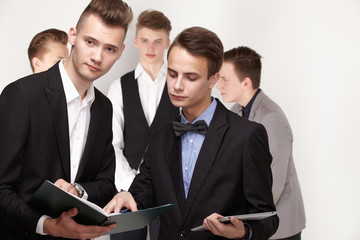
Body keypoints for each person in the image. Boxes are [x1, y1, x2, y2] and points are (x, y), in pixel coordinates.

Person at [104, 26, 279, 240]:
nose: (177, 86)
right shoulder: (160, 137)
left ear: (213, 80)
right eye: (172, 74)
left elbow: (268, 217)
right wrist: (126, 195)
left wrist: (244, 231)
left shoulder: (247, 136)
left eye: (191, 77)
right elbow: (142, 196)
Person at [0, 0, 133, 239]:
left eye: (110, 49)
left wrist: (78, 190)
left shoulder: (104, 107)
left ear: (120, 52)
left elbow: (105, 184)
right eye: (90, 42)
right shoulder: (21, 95)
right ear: (73, 35)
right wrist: (48, 225)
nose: (97, 56)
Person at [217, 46, 306, 240]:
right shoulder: (235, 111)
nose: (219, 86)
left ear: (246, 82)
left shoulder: (271, 118)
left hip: (279, 226)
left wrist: (243, 220)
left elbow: (273, 183)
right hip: (251, 221)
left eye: (224, 79)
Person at [107, 9, 179, 240]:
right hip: (125, 189)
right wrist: (133, 185)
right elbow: (112, 145)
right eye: (146, 41)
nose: (151, 48)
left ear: (168, 42)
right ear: (136, 41)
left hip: (171, 191)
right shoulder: (118, 87)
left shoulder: (179, 87)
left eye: (158, 42)